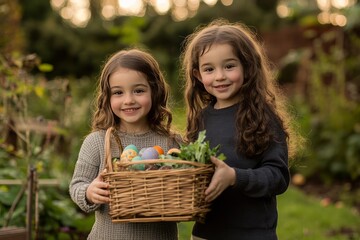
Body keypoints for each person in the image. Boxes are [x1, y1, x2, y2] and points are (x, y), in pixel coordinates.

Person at [181, 19, 303, 240]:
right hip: (206, 232)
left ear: (247, 67)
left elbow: (278, 177)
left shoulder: (263, 117)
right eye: (209, 69)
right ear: (198, 75)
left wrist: (235, 177)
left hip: (253, 233)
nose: (220, 76)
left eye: (229, 66)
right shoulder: (201, 119)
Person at [69, 48, 181, 240]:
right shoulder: (98, 141)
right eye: (118, 92)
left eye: (138, 90)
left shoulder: (172, 143)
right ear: (107, 96)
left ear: (154, 91)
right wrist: (89, 192)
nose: (129, 100)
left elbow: (184, 188)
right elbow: (77, 185)